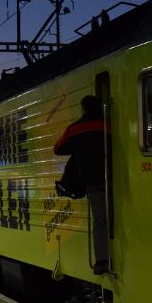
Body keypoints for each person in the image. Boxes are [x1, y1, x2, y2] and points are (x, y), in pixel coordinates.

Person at [54, 95, 110, 274]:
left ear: (83, 109)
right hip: (116, 177)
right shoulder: (108, 124)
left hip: (92, 180)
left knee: (100, 220)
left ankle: (101, 260)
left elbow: (58, 148)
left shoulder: (75, 128)